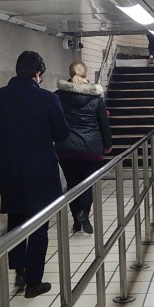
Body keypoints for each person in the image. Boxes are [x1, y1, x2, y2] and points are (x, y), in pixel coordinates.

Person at [0, 51, 69, 298]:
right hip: (41, 169)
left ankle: (19, 269)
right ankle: (34, 282)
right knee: (39, 223)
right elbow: (62, 133)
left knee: (16, 218)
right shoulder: (48, 99)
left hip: (8, 169)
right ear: (38, 74)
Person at [55, 62, 113, 234]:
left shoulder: (58, 96)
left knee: (72, 184)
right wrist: (108, 144)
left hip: (65, 148)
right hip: (91, 148)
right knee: (88, 183)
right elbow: (104, 123)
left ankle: (76, 221)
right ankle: (84, 212)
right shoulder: (96, 98)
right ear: (85, 74)